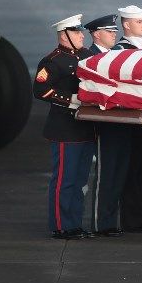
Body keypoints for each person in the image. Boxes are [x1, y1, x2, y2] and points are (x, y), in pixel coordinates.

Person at [32, 14, 96, 239]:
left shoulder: (87, 55)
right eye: (77, 32)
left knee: (79, 181)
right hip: (64, 127)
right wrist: (70, 99)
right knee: (64, 181)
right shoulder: (53, 60)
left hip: (85, 127)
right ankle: (61, 226)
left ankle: (75, 224)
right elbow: (41, 90)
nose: (81, 35)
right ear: (64, 35)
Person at [112, 5, 142, 232]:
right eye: (139, 22)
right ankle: (131, 219)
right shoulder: (120, 49)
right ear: (126, 24)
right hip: (131, 119)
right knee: (132, 169)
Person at [82, 14, 124, 236]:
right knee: (106, 175)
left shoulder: (116, 56)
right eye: (109, 31)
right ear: (97, 34)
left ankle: (111, 221)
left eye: (115, 31)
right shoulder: (89, 58)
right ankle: (101, 223)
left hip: (120, 123)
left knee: (118, 174)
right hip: (104, 125)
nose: (114, 34)